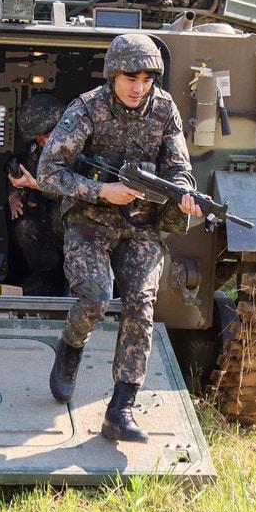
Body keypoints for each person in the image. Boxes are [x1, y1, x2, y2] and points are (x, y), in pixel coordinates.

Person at [37, 34, 202, 442]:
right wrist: (100, 191)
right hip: (90, 222)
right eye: (131, 76)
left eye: (147, 78)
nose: (139, 87)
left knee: (141, 303)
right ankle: (71, 347)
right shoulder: (87, 110)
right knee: (95, 297)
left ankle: (121, 408)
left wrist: (184, 194)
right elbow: (48, 173)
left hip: (141, 224)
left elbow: (178, 167)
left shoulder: (164, 110)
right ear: (113, 74)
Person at [7, 93, 67, 295]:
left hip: (76, 226)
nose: (42, 142)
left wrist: (37, 185)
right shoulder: (37, 151)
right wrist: (15, 192)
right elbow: (20, 166)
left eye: (46, 136)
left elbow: (80, 189)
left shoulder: (80, 150)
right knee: (24, 227)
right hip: (47, 224)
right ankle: (46, 278)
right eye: (38, 138)